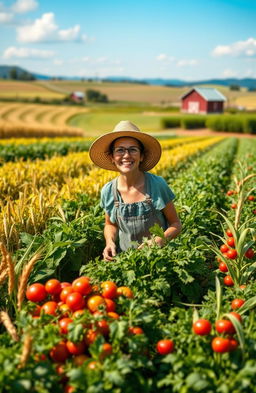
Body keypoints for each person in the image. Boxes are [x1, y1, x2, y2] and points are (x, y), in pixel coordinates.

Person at [89, 120, 182, 261]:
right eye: (120, 150)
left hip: (160, 260)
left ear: (142, 156)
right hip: (125, 262)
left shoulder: (157, 185)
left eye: (133, 149)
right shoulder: (109, 191)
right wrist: (110, 242)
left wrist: (159, 240)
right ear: (112, 157)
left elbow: (176, 224)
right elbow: (110, 224)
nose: (126, 155)